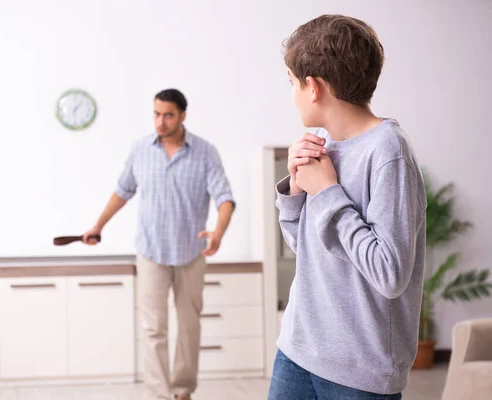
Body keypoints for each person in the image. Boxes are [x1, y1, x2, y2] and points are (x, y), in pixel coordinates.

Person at [268, 15, 426, 399]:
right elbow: (308, 250)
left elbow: (390, 275)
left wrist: (328, 193)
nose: (291, 93)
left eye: (292, 83)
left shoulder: (389, 153)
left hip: (360, 370)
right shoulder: (323, 141)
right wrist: (295, 189)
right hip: (297, 350)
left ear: (315, 87)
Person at [83, 88, 235, 400]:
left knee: (188, 326)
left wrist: (218, 232)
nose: (160, 121)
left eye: (168, 115)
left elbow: (225, 198)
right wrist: (98, 226)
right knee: (153, 328)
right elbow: (122, 190)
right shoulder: (140, 149)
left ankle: (182, 391)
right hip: (151, 252)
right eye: (156, 114)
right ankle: (159, 395)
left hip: (190, 253)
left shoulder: (205, 152)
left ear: (182, 116)